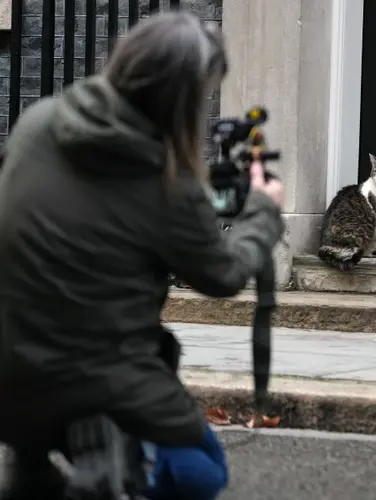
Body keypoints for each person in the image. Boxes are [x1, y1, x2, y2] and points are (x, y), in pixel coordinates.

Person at [0, 12, 285, 499]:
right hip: (99, 377)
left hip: (7, 373)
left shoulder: (38, 123)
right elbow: (223, 274)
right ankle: (109, 467)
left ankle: (32, 465)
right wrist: (262, 210)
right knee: (203, 473)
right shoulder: (167, 182)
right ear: (184, 98)